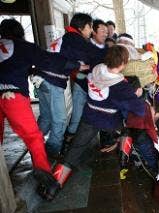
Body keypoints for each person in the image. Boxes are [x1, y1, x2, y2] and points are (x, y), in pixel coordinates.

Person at [42, 45, 146, 200]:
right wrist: (137, 94)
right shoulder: (121, 86)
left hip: (89, 117)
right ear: (124, 63)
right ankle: (124, 162)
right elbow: (140, 110)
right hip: (110, 122)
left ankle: (51, 190)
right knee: (127, 131)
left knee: (73, 152)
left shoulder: (96, 69)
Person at [0, 18, 86, 200]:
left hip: (11, 90)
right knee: (34, 138)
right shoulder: (23, 46)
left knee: (45, 119)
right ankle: (46, 178)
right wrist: (77, 65)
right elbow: (49, 61)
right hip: (12, 95)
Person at [36, 13, 94, 158]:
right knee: (60, 119)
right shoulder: (75, 38)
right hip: (52, 79)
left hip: (40, 78)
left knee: (46, 118)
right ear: (82, 27)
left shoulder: (66, 38)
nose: (91, 31)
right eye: (90, 27)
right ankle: (53, 150)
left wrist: (80, 67)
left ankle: (34, 144)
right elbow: (92, 55)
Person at [66, 19, 109, 143]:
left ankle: (98, 144)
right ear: (94, 32)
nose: (105, 34)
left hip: (97, 89)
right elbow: (77, 65)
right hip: (82, 86)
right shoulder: (84, 45)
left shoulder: (107, 49)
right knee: (77, 116)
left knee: (99, 116)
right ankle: (67, 143)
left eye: (107, 31)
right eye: (102, 31)